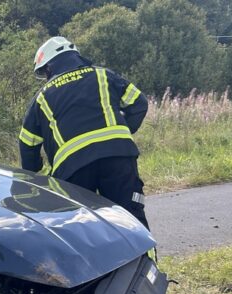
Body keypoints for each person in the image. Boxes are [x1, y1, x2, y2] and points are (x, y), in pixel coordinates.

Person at [19, 36, 150, 229]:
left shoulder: (42, 96)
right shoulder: (103, 75)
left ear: (48, 68)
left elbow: (27, 143)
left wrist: (34, 171)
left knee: (81, 229)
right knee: (131, 219)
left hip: (73, 170)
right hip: (118, 157)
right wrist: (122, 132)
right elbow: (139, 103)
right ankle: (146, 259)